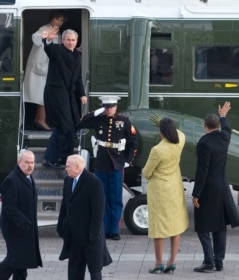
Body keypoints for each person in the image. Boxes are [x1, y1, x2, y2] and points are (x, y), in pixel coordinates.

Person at [77, 96, 138, 240]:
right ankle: (104, 229)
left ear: (116, 107)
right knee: (101, 197)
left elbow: (133, 141)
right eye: (106, 107)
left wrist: (129, 160)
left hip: (117, 163)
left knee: (115, 198)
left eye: (111, 107)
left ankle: (114, 230)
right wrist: (95, 112)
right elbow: (80, 123)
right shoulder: (98, 119)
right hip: (101, 163)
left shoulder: (123, 121)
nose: (109, 110)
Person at [192, 101, 239, 273]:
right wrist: (223, 116)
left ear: (205, 125)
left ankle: (208, 261)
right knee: (220, 226)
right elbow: (227, 128)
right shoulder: (224, 138)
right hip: (222, 188)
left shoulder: (204, 144)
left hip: (208, 189)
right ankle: (219, 261)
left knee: (203, 226)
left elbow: (202, 170)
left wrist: (196, 193)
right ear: (218, 126)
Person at [142, 117, 189, 274]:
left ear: (161, 132)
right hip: (174, 187)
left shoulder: (158, 150)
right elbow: (180, 132)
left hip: (160, 191)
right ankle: (172, 261)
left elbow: (146, 172)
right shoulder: (180, 140)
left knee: (159, 228)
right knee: (175, 226)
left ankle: (158, 263)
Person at [57, 154, 112, 280]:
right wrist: (61, 226)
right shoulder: (68, 180)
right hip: (74, 234)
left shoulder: (93, 182)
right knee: (74, 268)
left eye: (68, 166)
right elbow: (65, 205)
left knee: (94, 269)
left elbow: (98, 210)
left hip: (89, 235)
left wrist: (94, 233)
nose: (66, 169)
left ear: (77, 167)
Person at [41, 28, 87, 169]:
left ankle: (64, 159)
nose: (71, 42)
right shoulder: (57, 50)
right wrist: (47, 40)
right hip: (56, 95)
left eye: (73, 40)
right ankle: (50, 158)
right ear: (63, 40)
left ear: (77, 41)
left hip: (70, 96)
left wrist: (82, 94)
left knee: (72, 127)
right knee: (64, 126)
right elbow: (49, 49)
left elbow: (78, 78)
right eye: (68, 40)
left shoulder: (77, 56)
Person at [0, 150, 42, 279]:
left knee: (22, 263)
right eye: (26, 162)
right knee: (14, 260)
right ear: (19, 163)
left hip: (25, 228)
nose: (30, 165)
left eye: (32, 163)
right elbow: (9, 206)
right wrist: (23, 220)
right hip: (15, 229)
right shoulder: (12, 180)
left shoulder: (28, 177)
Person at [23, 10, 66, 131]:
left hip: (47, 68)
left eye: (61, 20)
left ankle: (38, 120)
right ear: (51, 19)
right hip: (40, 69)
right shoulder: (45, 28)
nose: (59, 22)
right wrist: (45, 35)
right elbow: (35, 37)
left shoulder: (58, 32)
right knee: (43, 95)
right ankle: (41, 121)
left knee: (43, 95)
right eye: (57, 19)